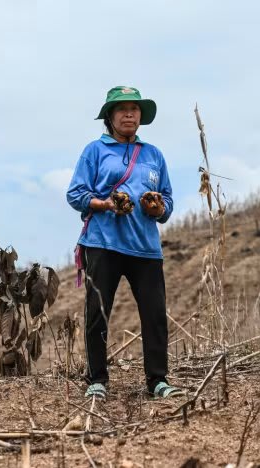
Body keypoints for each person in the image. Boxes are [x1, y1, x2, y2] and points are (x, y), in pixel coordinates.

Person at [66, 86, 183, 399]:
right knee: (98, 312)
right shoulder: (95, 151)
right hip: (102, 243)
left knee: (155, 314)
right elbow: (75, 195)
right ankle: (97, 380)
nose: (130, 114)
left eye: (135, 108)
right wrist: (105, 204)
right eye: (122, 109)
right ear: (109, 117)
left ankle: (158, 380)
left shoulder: (153, 155)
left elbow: (168, 200)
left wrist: (158, 208)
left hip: (145, 247)